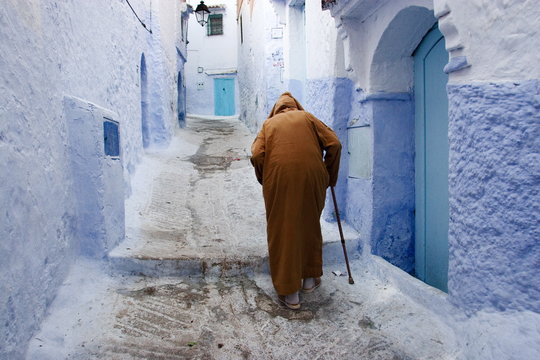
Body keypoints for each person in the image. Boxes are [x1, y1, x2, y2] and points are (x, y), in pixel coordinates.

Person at [250, 92, 342, 310]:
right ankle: (309, 281)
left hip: (280, 179)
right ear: (295, 106)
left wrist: (266, 177)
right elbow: (335, 144)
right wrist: (328, 175)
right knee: (309, 224)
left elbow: (256, 154)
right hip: (313, 178)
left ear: (277, 109)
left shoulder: (269, 124)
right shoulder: (308, 117)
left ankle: (290, 294)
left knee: (283, 230)